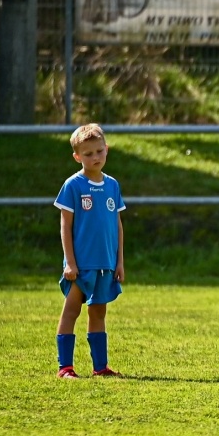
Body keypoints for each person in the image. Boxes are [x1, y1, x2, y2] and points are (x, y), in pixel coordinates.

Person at [54, 123, 126, 378]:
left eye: (99, 151)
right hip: (81, 264)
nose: (95, 157)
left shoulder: (112, 186)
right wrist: (70, 263)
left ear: (106, 149)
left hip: (106, 263)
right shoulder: (73, 185)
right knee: (71, 311)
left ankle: (100, 367)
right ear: (77, 157)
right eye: (88, 154)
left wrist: (119, 262)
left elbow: (117, 225)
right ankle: (65, 367)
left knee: (98, 312)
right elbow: (65, 226)